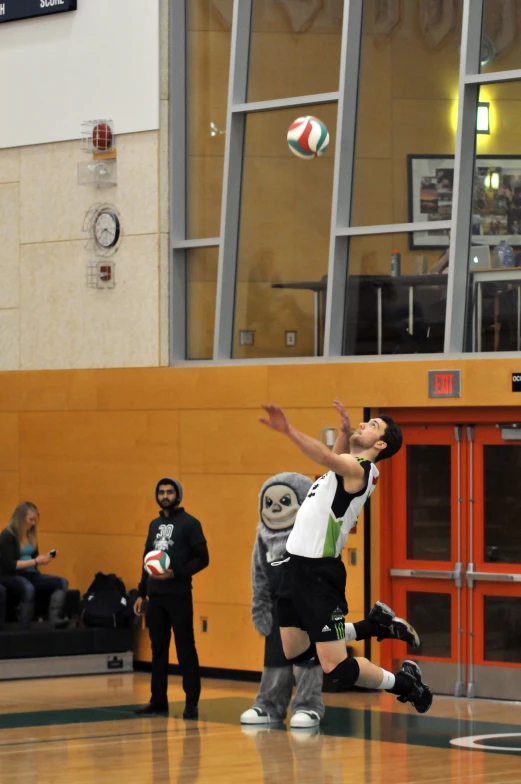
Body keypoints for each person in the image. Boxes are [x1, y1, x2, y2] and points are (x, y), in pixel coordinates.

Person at [258, 402, 433, 714]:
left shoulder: (360, 471)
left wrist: (288, 430)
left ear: (380, 444)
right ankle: (373, 625)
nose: (363, 425)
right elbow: (332, 462)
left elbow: (326, 457)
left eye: (373, 425)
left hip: (318, 575)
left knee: (336, 667)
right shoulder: (345, 466)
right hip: (293, 567)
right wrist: (343, 433)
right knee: (294, 649)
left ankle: (407, 684)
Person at [134, 478, 209, 719]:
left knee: (185, 648)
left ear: (178, 495)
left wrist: (176, 573)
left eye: (169, 492)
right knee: (158, 650)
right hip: (155, 597)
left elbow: (203, 558)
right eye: (161, 492)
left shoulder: (190, 524)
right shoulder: (154, 524)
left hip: (178, 595)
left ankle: (191, 703)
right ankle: (158, 701)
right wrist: (141, 592)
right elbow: (146, 559)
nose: (165, 495)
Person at [0, 502, 69, 630]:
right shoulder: (7, 535)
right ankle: (24, 627)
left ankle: (55, 619)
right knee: (28, 588)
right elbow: (10, 565)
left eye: (34, 520)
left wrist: (45, 557)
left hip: (32, 574)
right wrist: (36, 561)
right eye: (30, 519)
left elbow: (34, 557)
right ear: (20, 518)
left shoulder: (30, 535)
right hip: (12, 575)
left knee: (62, 582)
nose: (33, 523)